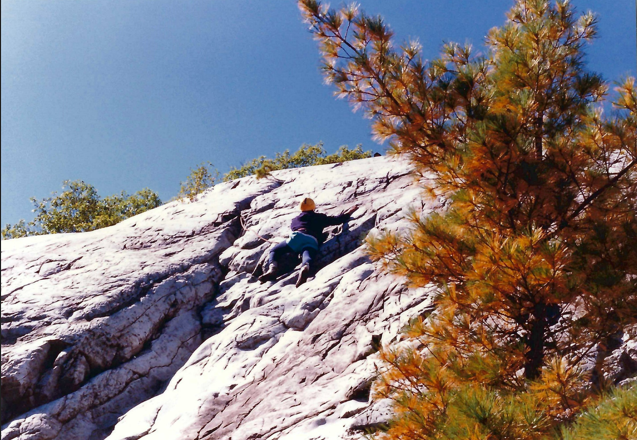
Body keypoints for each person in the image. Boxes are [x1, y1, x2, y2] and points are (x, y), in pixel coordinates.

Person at [258, 197, 358, 287]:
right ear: (313, 207)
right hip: (311, 239)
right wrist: (349, 212)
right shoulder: (319, 217)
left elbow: (294, 228)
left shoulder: (295, 220)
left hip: (296, 237)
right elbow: (337, 220)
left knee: (275, 250)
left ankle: (272, 268)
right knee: (307, 253)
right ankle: (305, 266)